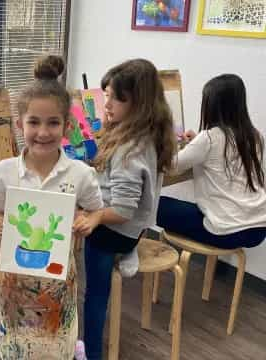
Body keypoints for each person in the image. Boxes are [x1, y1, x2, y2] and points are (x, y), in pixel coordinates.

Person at [0, 55, 104, 359]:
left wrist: (90, 221)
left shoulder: (81, 174)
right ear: (19, 125)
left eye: (53, 123)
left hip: (58, 283)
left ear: (66, 126)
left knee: (56, 348)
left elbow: (97, 210)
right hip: (16, 285)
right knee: (16, 350)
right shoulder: (2, 173)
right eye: (34, 122)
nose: (43, 132)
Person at [80, 59, 176, 360]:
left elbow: (122, 208)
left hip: (114, 230)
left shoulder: (129, 149)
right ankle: (128, 249)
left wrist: (93, 216)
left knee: (95, 295)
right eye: (105, 94)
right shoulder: (147, 134)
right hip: (133, 229)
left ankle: (91, 352)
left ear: (139, 104)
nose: (105, 103)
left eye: (115, 98)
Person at [157, 74, 266, 249]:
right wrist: (195, 144)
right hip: (259, 230)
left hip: (228, 231)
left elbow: (170, 167)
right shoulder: (255, 136)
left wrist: (165, 144)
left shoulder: (209, 138)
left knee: (153, 203)